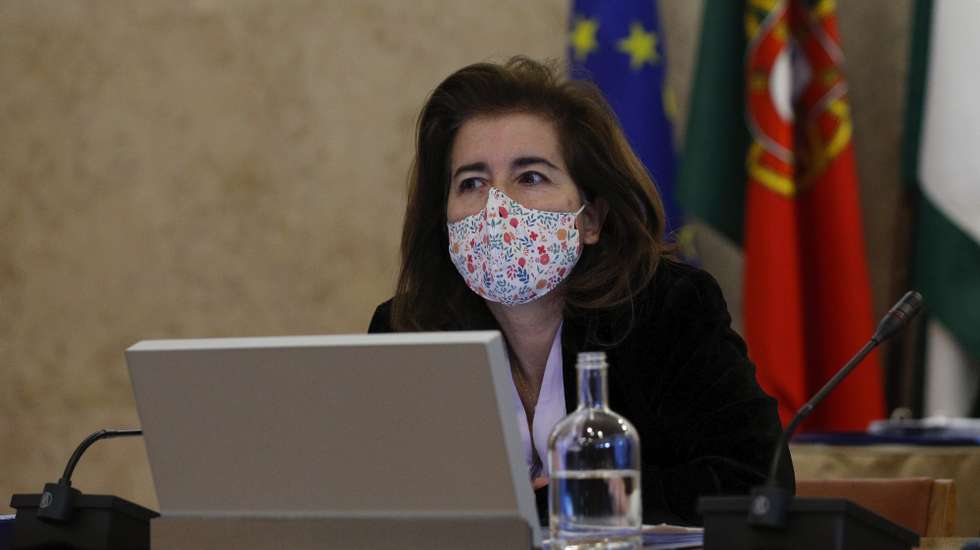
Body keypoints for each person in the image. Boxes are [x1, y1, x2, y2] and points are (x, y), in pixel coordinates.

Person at [368, 56, 794, 525]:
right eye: (472, 182)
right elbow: (370, 499)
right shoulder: (406, 330)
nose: (498, 207)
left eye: (530, 177)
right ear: (444, 216)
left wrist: (569, 500)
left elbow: (756, 480)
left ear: (590, 218)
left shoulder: (668, 310)